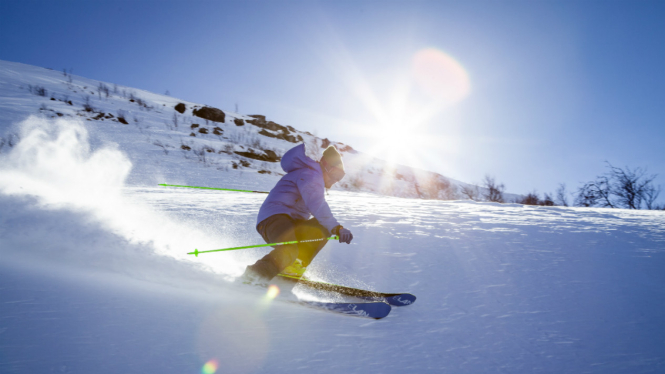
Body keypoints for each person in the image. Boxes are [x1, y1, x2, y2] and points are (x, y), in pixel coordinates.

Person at [241, 143, 353, 283]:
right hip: (273, 219)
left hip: (291, 222)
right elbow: (317, 204)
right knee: (290, 248)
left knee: (321, 226)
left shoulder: (312, 176)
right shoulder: (311, 174)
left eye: (340, 177)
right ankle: (253, 277)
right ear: (325, 165)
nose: (336, 180)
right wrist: (337, 227)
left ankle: (292, 269)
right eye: (336, 174)